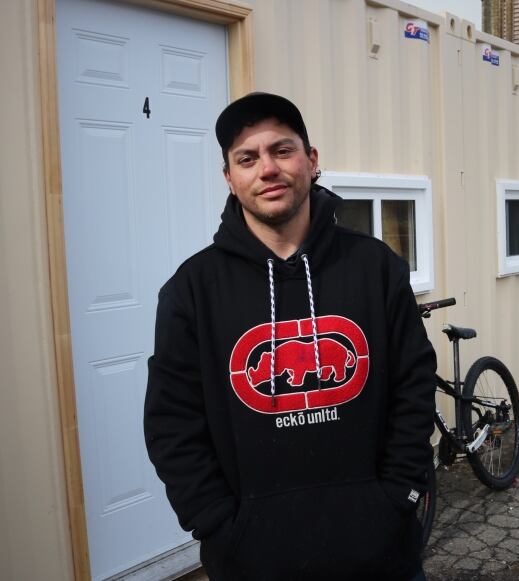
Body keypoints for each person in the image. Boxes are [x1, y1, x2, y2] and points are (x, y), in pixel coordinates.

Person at [144, 92, 437, 581]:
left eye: (282, 150)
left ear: (311, 159)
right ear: (230, 179)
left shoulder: (375, 268)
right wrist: (218, 525)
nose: (267, 168)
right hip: (253, 563)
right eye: (247, 158)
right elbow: (172, 426)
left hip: (382, 554)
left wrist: (399, 497)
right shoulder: (192, 291)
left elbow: (414, 387)